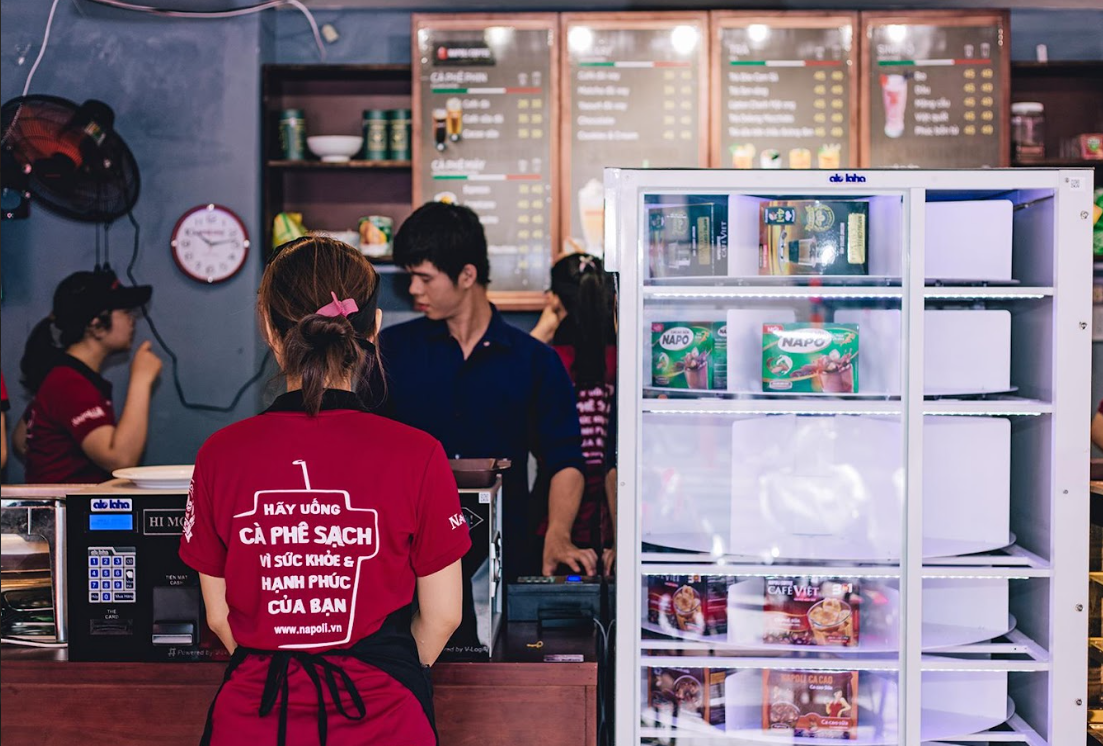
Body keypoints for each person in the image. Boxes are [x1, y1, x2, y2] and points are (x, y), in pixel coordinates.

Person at [180, 236, 468, 746]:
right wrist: (389, 670)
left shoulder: (219, 455)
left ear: (270, 330)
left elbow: (220, 616)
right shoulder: (418, 453)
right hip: (384, 718)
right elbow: (444, 615)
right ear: (373, 330)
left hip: (254, 717)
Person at [379, 201, 590, 578]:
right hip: (407, 558)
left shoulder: (535, 361)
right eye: (410, 276)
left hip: (506, 555)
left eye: (425, 278)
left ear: (466, 275)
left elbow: (565, 460)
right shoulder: (389, 351)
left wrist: (557, 536)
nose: (413, 289)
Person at [14, 269, 161, 483]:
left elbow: (22, 439)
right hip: (66, 511)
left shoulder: (66, 377)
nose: (132, 321)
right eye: (125, 312)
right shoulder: (69, 383)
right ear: (96, 325)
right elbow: (120, 458)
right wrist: (141, 380)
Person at [530, 252, 617, 574]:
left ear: (554, 299)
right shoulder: (626, 359)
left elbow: (503, 379)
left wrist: (543, 328)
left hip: (552, 523)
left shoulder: (548, 360)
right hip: (618, 523)